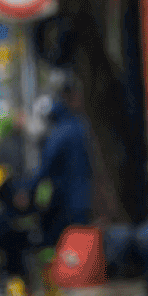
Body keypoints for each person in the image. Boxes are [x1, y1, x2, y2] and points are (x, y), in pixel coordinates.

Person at [20, 80, 92, 250]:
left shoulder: (60, 133)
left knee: (64, 246)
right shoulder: (80, 126)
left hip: (67, 200)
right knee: (81, 245)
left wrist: (27, 189)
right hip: (84, 197)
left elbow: (45, 167)